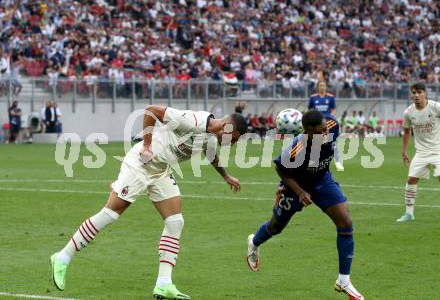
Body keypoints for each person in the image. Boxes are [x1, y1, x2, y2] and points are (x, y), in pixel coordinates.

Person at [50, 106, 247, 299]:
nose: (233, 143)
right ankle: (62, 257)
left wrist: (226, 176)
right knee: (110, 214)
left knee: (175, 222)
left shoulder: (211, 137)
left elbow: (210, 154)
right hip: (141, 165)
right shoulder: (192, 120)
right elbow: (152, 110)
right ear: (227, 127)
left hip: (160, 171)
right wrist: (146, 144)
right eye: (235, 139)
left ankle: (163, 284)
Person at [246, 110, 364, 300]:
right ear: (308, 131)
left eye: (325, 129)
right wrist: (300, 192)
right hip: (295, 188)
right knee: (276, 226)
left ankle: (344, 280)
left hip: (322, 180)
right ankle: (254, 242)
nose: (325, 134)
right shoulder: (296, 148)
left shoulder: (332, 124)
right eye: (319, 132)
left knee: (345, 223)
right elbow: (281, 169)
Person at [397, 82, 440, 222]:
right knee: (411, 180)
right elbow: (406, 131)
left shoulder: (435, 107)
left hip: (438, 150)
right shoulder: (408, 112)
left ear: (425, 93)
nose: (416, 95)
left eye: (419, 92)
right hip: (421, 152)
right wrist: (404, 151)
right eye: (414, 92)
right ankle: (409, 214)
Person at [308, 78, 344, 171]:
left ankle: (337, 162)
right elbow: (309, 109)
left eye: (323, 85)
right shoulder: (313, 97)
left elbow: (334, 109)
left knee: (333, 143)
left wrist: (331, 116)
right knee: (316, 142)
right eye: (320, 86)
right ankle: (314, 162)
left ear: (326, 87)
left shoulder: (331, 97)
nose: (322, 87)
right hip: (317, 124)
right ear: (317, 87)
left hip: (329, 123)